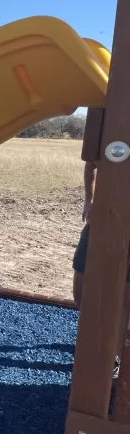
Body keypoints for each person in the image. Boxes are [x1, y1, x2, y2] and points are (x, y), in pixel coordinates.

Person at [72, 159, 130, 378]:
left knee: (125, 296)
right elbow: (92, 162)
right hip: (102, 217)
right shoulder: (112, 128)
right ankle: (92, 341)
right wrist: (89, 200)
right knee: (81, 287)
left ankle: (113, 357)